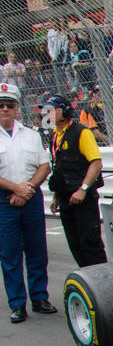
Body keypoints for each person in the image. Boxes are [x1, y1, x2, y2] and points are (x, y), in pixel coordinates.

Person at [0, 82, 54, 324]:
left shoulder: (31, 135)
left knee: (37, 251)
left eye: (9, 105)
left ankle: (40, 297)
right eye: (0, 105)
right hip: (4, 200)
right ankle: (17, 304)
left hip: (31, 197)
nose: (4, 109)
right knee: (10, 255)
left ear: (16, 107)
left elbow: (44, 165)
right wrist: (16, 188)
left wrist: (28, 188)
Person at [44, 95, 106, 269]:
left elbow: (96, 162)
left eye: (51, 110)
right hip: (65, 198)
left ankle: (103, 284)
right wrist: (56, 196)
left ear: (63, 111)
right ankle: (87, 282)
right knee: (75, 244)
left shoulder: (81, 132)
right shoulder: (54, 136)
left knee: (90, 244)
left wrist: (83, 189)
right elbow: (58, 167)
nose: (46, 114)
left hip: (83, 199)